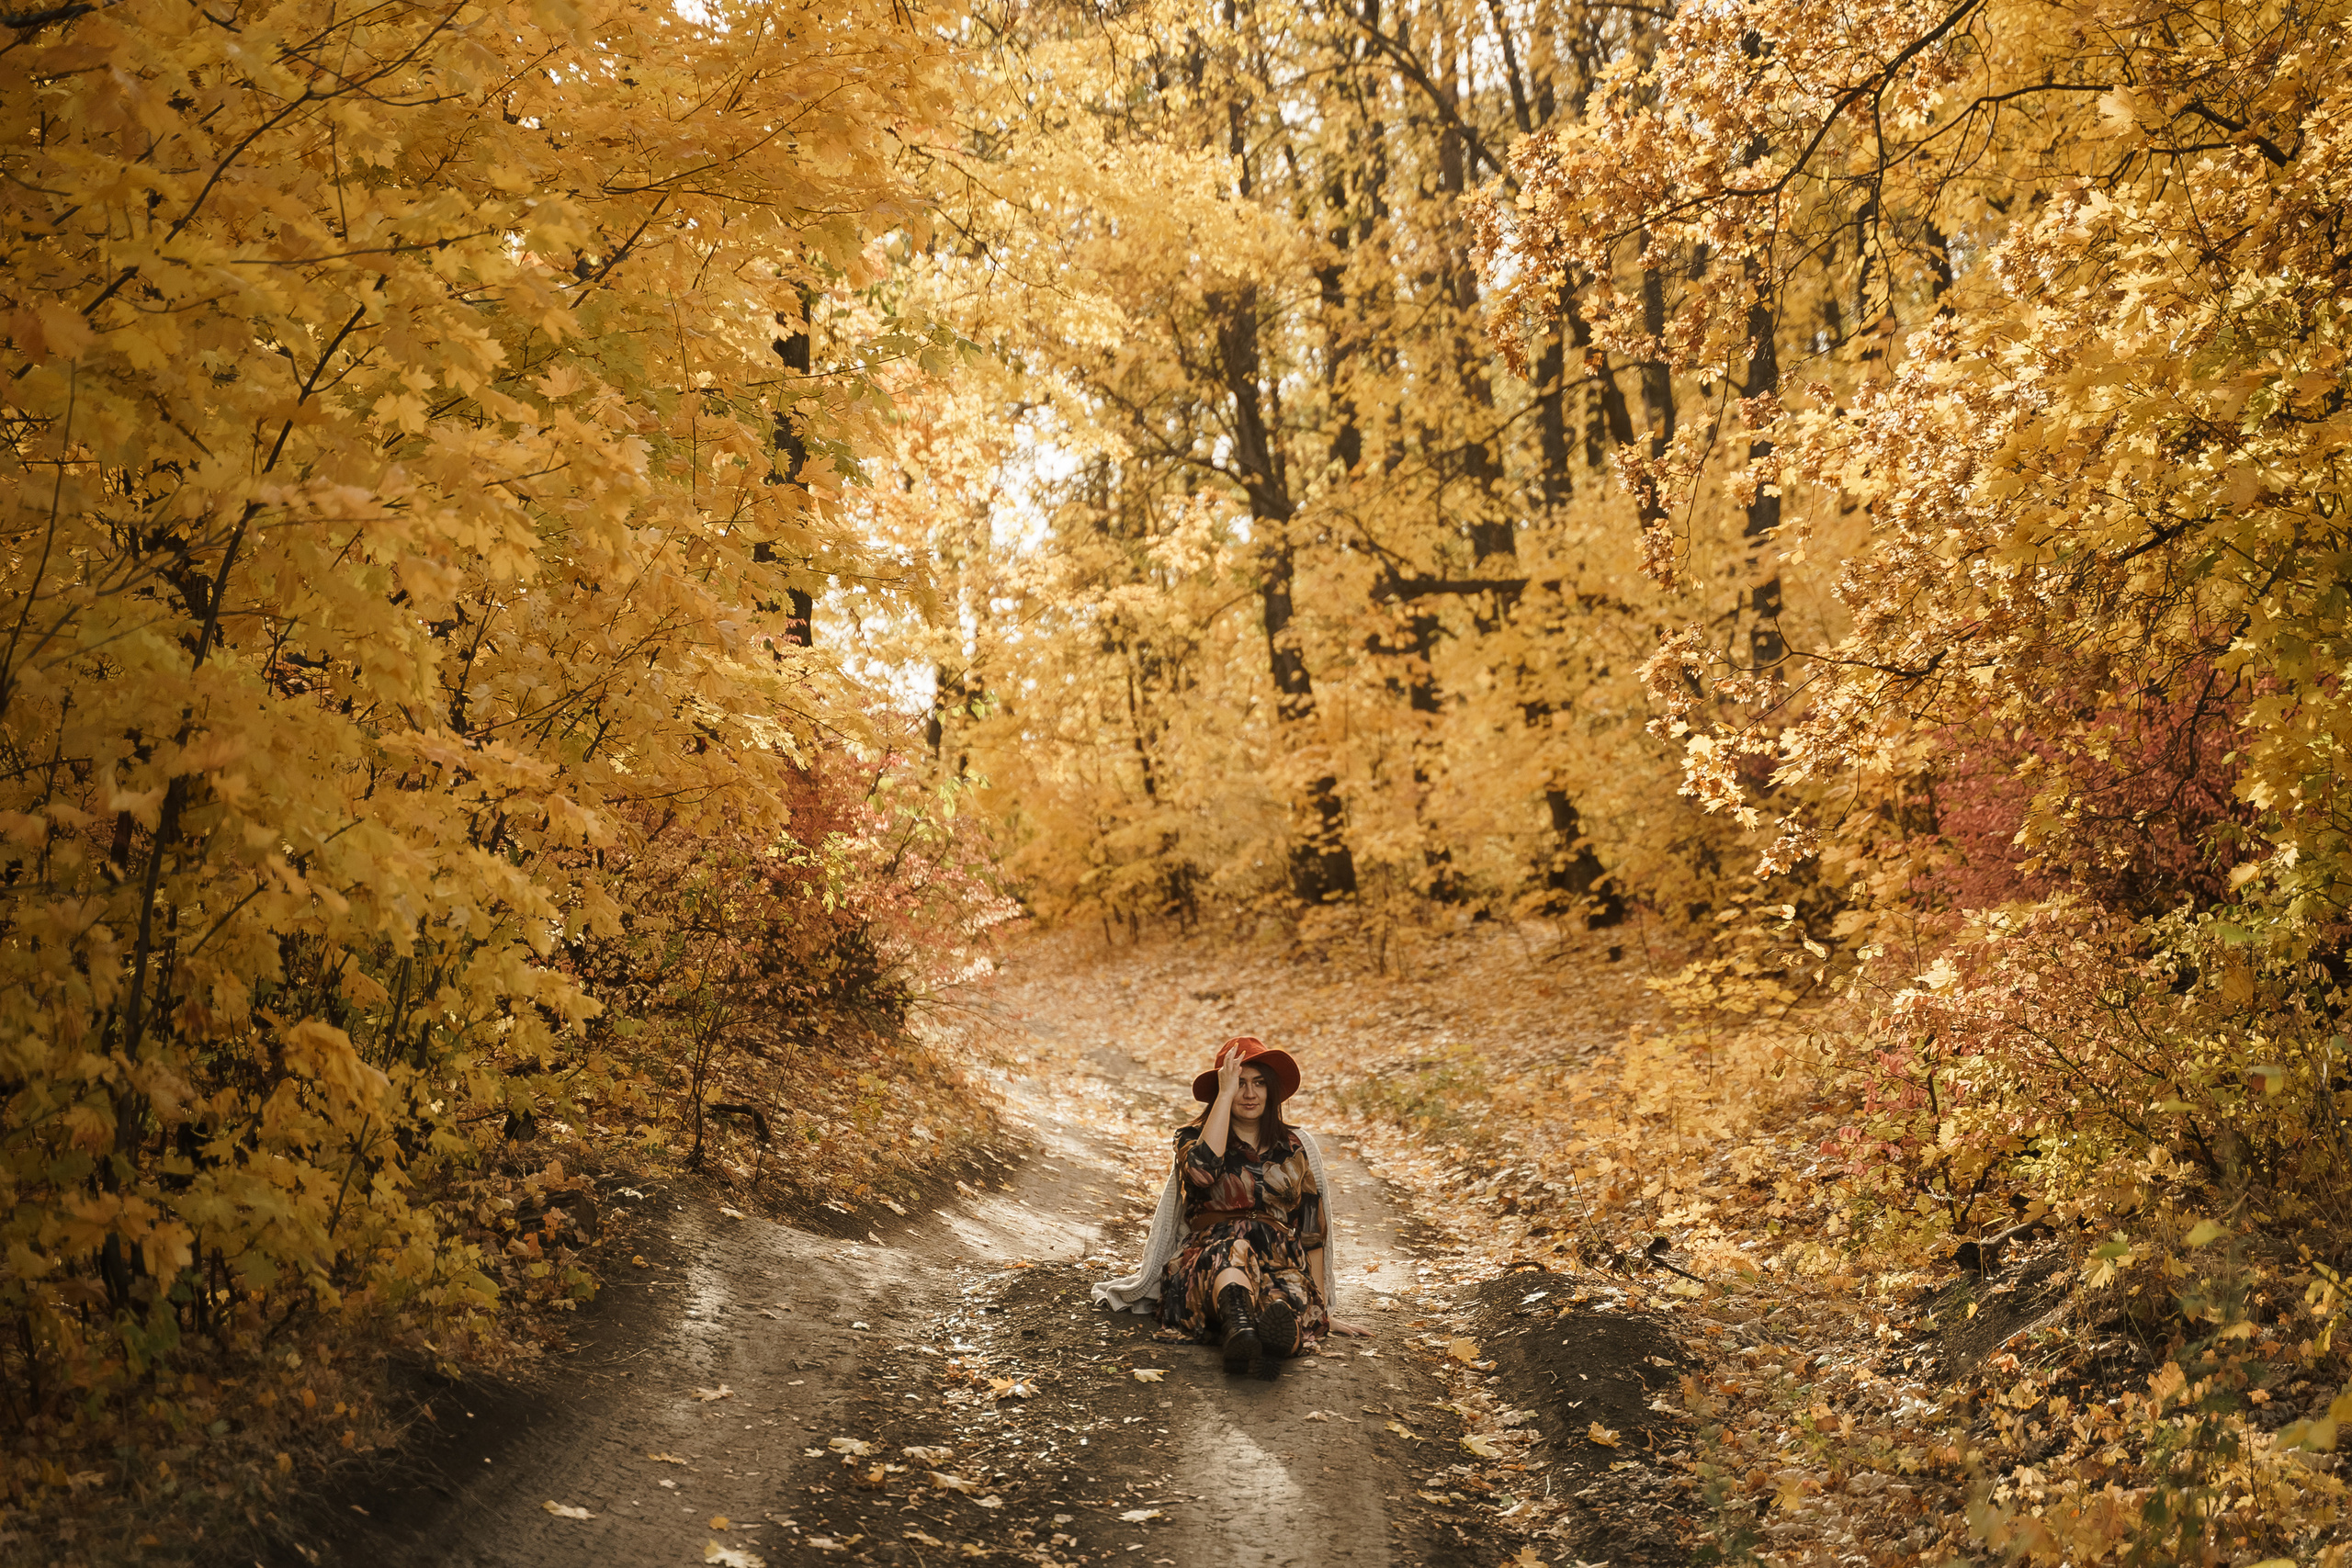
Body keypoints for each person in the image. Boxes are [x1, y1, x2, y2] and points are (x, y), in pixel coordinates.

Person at [1091, 1036, 1371, 1375]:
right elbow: (1202, 1174)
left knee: (1285, 1300)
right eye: (1238, 1083)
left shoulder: (1296, 1145)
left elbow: (1311, 1231)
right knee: (1234, 1249)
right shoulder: (1191, 1138)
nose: (1249, 1094)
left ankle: (1273, 1339)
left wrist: (1323, 1309)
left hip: (1279, 1259)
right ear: (1223, 1088)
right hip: (1208, 1259)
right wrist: (1222, 1095)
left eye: (1258, 1083)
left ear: (1271, 1090)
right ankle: (1239, 1326)